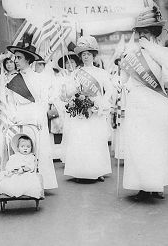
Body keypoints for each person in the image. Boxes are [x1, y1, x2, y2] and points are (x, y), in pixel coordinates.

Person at [121, 5, 168, 200]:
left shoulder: (163, 53)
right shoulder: (131, 54)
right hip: (137, 103)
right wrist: (125, 88)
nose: (142, 36)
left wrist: (152, 51)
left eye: (147, 32)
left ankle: (156, 184)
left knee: (156, 145)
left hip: (156, 102)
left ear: (154, 33)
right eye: (140, 32)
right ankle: (141, 186)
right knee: (139, 144)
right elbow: (124, 80)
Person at [6, 33, 58, 190]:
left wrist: (39, 118)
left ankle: (40, 183)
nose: (15, 61)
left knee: (38, 149)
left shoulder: (39, 78)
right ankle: (21, 183)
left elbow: (43, 101)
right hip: (19, 117)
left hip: (36, 117)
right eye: (15, 57)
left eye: (19, 57)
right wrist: (12, 117)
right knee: (20, 149)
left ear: (28, 59)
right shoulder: (12, 81)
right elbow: (10, 102)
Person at [61, 36, 113, 181]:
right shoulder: (76, 73)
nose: (85, 57)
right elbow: (70, 92)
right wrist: (73, 92)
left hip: (95, 111)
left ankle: (98, 171)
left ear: (93, 55)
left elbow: (109, 90)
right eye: (83, 54)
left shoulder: (101, 73)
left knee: (96, 140)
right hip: (81, 112)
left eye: (88, 54)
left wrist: (101, 102)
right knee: (81, 140)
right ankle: (80, 172)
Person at [0, 134, 43, 199]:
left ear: (31, 148)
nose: (25, 148)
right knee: (8, 180)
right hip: (14, 173)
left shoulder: (31, 157)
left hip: (26, 174)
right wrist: (13, 169)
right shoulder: (14, 156)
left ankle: (14, 190)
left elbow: (32, 166)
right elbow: (9, 165)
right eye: (22, 146)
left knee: (27, 183)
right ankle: (0, 188)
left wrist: (24, 169)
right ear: (18, 148)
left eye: (28, 147)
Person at [0, 52, 17, 160]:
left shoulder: (19, 76)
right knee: (5, 130)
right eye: (7, 63)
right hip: (5, 106)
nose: (9, 65)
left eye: (11, 62)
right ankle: (6, 155)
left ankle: (18, 152)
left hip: (15, 105)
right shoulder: (0, 78)